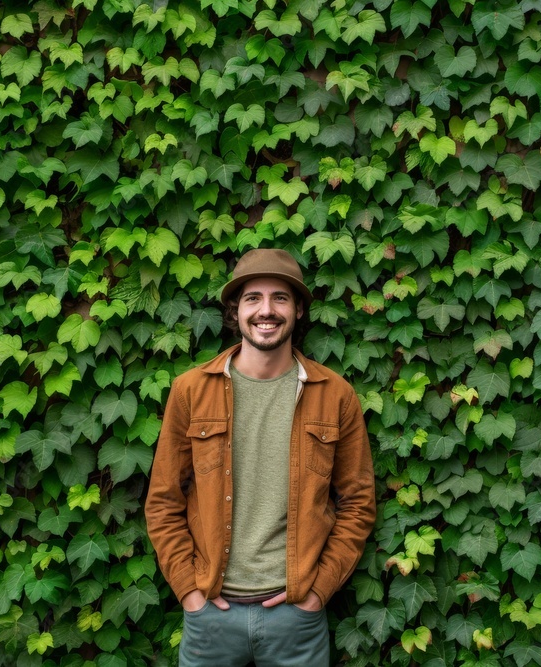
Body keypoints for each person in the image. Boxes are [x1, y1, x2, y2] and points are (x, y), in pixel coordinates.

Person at [145, 248, 376, 667]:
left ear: (299, 310)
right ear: (236, 311)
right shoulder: (191, 390)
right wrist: (190, 592)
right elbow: (163, 501)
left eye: (280, 298)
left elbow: (357, 504)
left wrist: (318, 590)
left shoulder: (335, 395)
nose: (265, 311)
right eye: (253, 298)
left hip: (296, 619)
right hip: (211, 616)